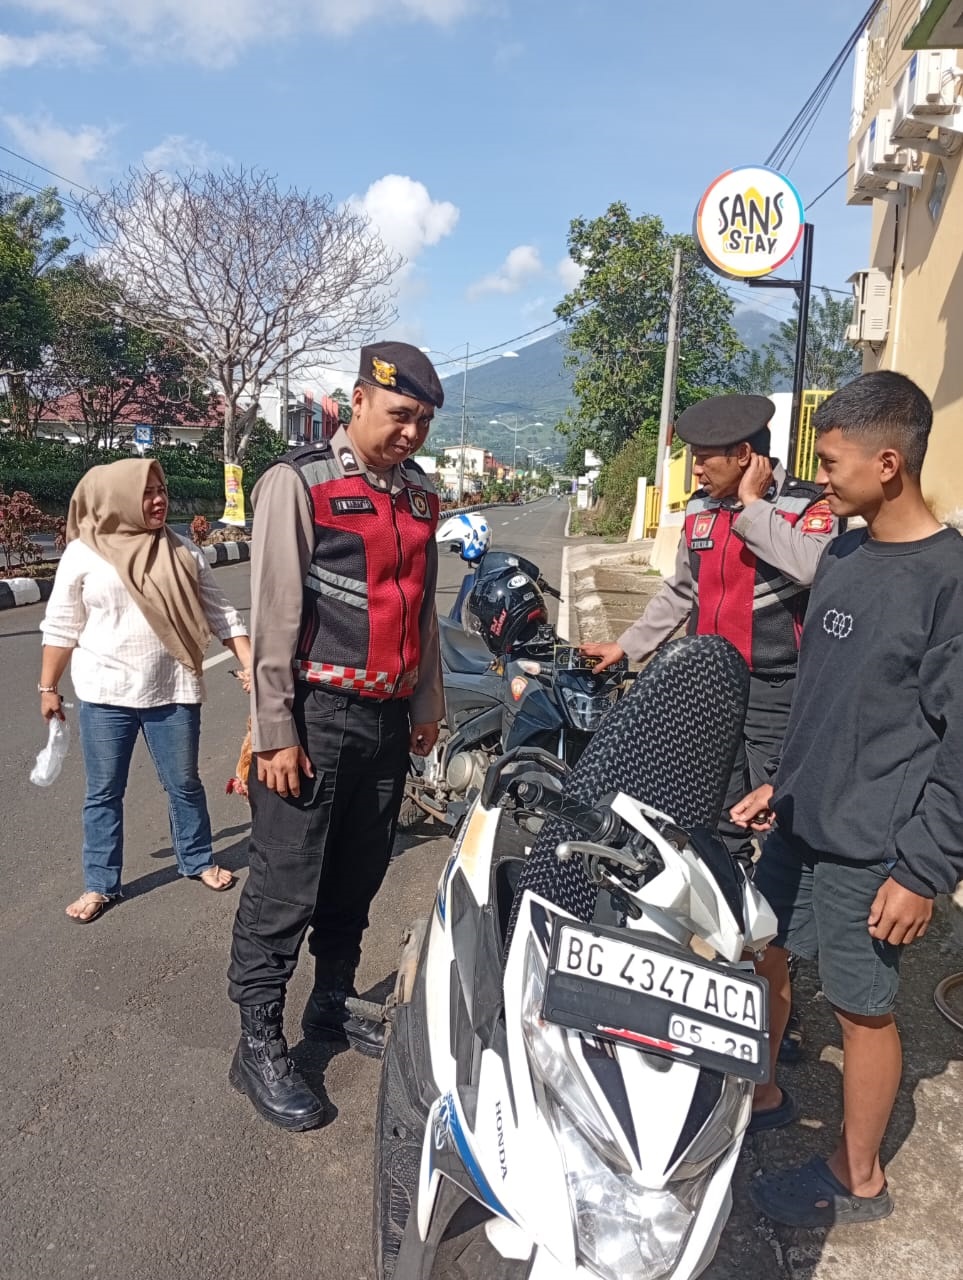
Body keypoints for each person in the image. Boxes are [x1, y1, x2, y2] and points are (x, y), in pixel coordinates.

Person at [732, 371, 963, 1227]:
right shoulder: (842, 554)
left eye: (830, 463)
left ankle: (856, 1177)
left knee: (861, 1009)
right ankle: (761, 1094)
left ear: (888, 463)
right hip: (801, 821)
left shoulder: (948, 581)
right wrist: (780, 783)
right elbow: (824, 697)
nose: (817, 479)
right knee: (763, 953)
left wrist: (922, 870)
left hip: (874, 846)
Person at [227, 342, 445, 1131]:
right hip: (313, 719)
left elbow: (422, 608)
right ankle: (257, 1042)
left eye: (422, 422)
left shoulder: (420, 496)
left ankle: (329, 1001)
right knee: (284, 885)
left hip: (385, 719)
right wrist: (274, 730)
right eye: (399, 415)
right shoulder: (300, 482)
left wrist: (427, 705)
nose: (410, 433)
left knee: (357, 876)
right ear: (358, 402)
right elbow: (275, 613)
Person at [581, 395, 836, 1067]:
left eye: (705, 458)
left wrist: (752, 507)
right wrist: (628, 647)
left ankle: (780, 1002)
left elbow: (814, 569)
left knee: (780, 836)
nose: (694, 470)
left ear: (745, 457)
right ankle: (724, 977)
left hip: (780, 694)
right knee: (713, 827)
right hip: (711, 691)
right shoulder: (698, 512)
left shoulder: (804, 509)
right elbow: (680, 593)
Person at [39, 459, 252, 923]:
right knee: (103, 792)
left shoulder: (183, 551)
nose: (159, 500)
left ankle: (196, 859)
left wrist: (250, 663)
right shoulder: (84, 554)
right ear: (120, 497)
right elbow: (61, 625)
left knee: (184, 784)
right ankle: (100, 884)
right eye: (147, 492)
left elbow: (221, 614)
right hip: (104, 694)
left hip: (172, 691)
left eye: (162, 490)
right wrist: (48, 686)